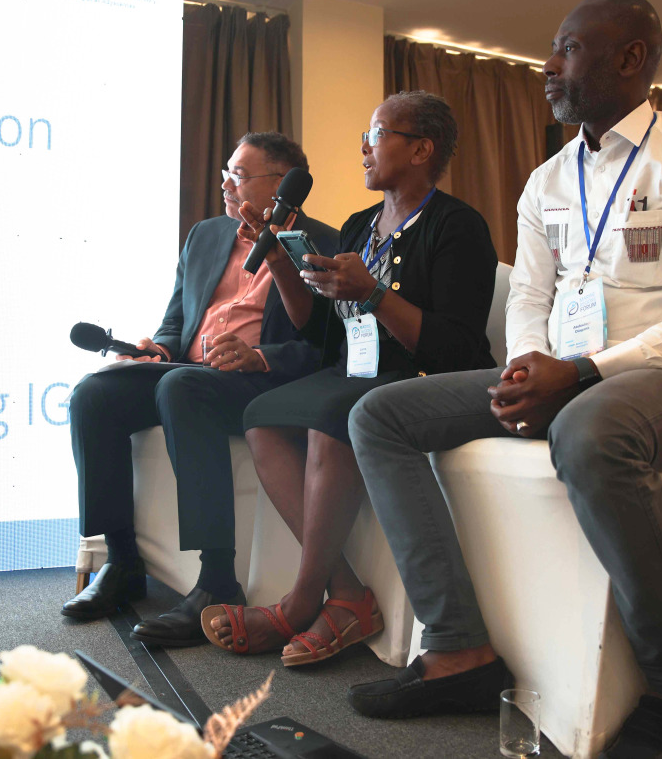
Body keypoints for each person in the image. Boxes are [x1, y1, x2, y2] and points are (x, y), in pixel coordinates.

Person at [345, 0, 662, 758]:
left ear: (632, 58)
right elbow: (530, 299)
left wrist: (580, 370)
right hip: (564, 374)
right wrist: (525, 366)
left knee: (589, 425)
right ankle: (458, 647)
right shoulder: (545, 181)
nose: (548, 64)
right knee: (380, 415)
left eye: (569, 49)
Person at [202, 91, 497, 666]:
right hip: (352, 368)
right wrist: (287, 262)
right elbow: (318, 333)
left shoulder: (458, 225)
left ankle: (301, 601)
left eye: (378, 134)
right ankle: (345, 594)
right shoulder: (359, 225)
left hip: (418, 377)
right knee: (263, 415)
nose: (363, 147)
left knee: (330, 413)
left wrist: (375, 294)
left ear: (421, 149)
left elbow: (458, 347)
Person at [62, 132, 338, 649]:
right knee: (94, 394)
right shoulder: (206, 235)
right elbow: (175, 325)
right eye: (225, 174)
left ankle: (216, 582)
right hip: (187, 373)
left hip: (258, 382)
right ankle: (123, 563)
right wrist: (157, 350)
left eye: (238, 175)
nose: (225, 185)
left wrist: (260, 356)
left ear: (280, 185)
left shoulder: (323, 242)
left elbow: (324, 348)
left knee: (182, 388)